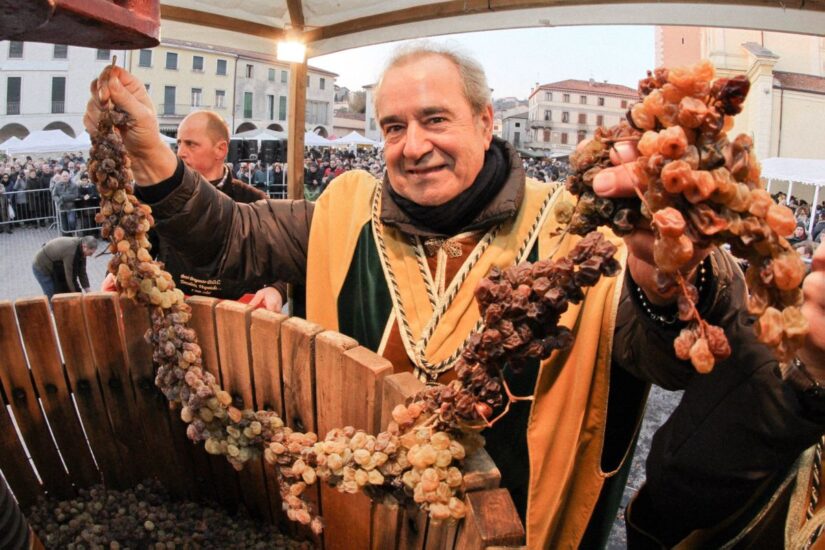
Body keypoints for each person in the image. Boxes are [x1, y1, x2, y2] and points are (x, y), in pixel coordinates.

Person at [85, 43, 825, 548]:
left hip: (520, 529)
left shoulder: (576, 228)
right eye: (394, 126)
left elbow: (662, 351)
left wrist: (663, 272)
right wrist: (155, 160)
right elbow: (231, 240)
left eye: (435, 119)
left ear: (485, 120)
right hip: (363, 525)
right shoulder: (343, 209)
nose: (412, 145)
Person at [144, 109, 284, 311]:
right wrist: (122, 272)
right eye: (179, 143)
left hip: (235, 323)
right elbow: (143, 247)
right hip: (174, 318)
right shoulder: (163, 198)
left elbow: (284, 262)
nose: (180, 152)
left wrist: (276, 289)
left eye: (190, 144)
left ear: (220, 149)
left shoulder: (254, 201)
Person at [32, 235, 98, 301]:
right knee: (53, 297)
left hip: (54, 264)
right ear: (84, 246)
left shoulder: (81, 249)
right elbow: (70, 278)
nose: (90, 256)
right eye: (90, 253)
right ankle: (53, 310)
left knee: (63, 292)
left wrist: (89, 293)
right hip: (41, 266)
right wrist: (78, 297)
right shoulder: (72, 252)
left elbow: (82, 273)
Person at [52, 169, 79, 234]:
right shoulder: (57, 185)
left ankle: (73, 232)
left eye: (66, 176)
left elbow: (75, 195)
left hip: (71, 207)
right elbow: (54, 195)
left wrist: (63, 197)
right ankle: (66, 237)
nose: (65, 177)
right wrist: (59, 200)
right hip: (61, 207)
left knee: (71, 221)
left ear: (69, 176)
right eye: (64, 176)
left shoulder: (74, 185)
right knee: (64, 226)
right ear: (61, 177)